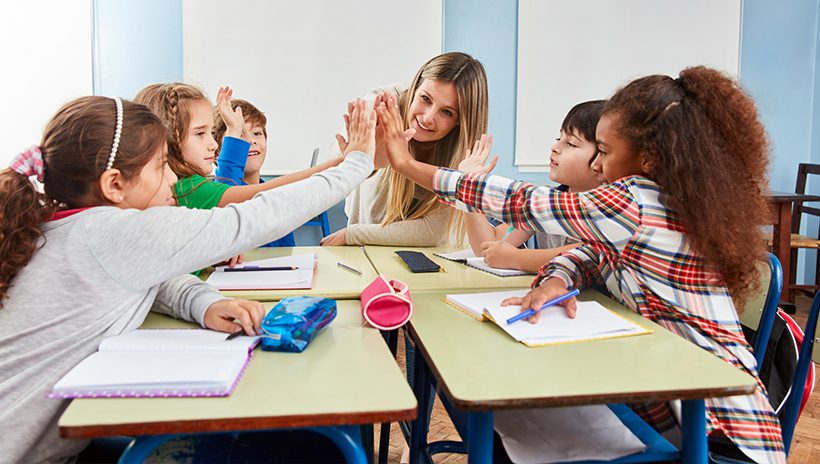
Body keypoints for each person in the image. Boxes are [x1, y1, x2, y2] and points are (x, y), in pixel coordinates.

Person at [377, 66, 785, 463]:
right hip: (674, 412)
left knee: (504, 411)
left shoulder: (637, 201)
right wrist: (556, 280)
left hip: (721, 440)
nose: (597, 166)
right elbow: (588, 253)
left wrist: (407, 163)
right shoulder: (665, 204)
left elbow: (524, 202)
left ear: (650, 156)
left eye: (603, 151)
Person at [0, 96, 376, 462]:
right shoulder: (114, 232)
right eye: (162, 166)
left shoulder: (69, 227)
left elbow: (151, 278)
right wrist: (355, 163)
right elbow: (254, 217)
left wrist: (203, 301)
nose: (171, 180)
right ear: (114, 184)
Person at [320, 51, 488, 246]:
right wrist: (360, 151)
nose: (428, 117)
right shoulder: (383, 103)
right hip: (369, 253)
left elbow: (432, 232)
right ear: (415, 87)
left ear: (461, 121)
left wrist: (352, 234)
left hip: (427, 258)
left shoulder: (465, 156)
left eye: (447, 112)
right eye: (425, 98)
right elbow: (334, 161)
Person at [134, 83, 344, 210]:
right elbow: (271, 192)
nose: (213, 144)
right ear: (168, 139)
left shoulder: (184, 186)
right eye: (200, 133)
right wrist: (343, 163)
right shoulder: (189, 189)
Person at [464, 100, 605, 273]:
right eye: (558, 139)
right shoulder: (545, 200)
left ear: (604, 158)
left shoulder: (610, 211)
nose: (555, 148)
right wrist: (468, 186)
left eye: (571, 144)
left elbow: (585, 254)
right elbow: (486, 248)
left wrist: (515, 258)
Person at [212, 98, 295, 247]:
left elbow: (288, 252)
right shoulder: (216, 192)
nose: (251, 141)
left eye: (257, 133)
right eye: (240, 135)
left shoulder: (276, 197)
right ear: (217, 151)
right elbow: (228, 185)